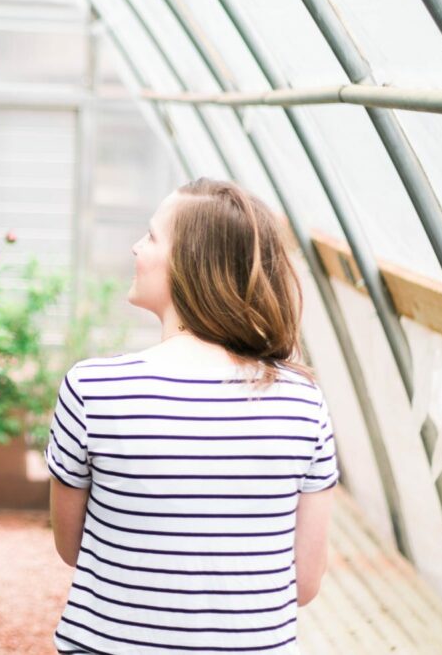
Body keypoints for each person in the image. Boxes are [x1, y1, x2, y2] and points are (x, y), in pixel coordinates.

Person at [47, 178, 339, 654]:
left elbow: (72, 548)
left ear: (190, 263)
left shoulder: (93, 389)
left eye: (152, 236)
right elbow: (304, 584)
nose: (135, 247)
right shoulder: (303, 403)